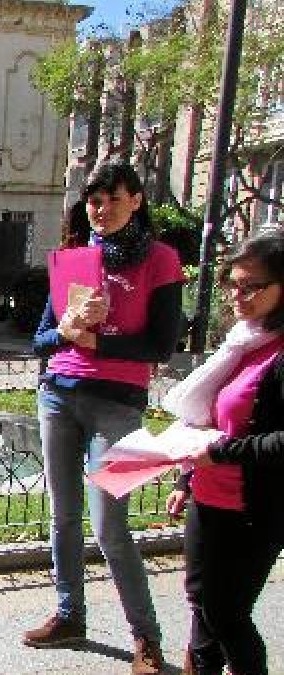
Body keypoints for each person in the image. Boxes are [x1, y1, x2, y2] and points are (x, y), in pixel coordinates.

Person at [26, 161, 182, 674]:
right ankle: (71, 614)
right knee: (63, 517)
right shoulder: (73, 258)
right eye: (95, 200)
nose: (102, 208)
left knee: (110, 525)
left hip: (122, 404)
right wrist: (66, 332)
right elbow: (41, 341)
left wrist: (100, 339)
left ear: (136, 200)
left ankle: (147, 638)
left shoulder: (161, 260)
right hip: (59, 395)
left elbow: (161, 344)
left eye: (113, 198)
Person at [162, 231, 284, 675]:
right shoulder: (242, 340)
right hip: (209, 493)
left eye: (252, 286)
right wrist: (187, 479)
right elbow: (211, 419)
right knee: (202, 604)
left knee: (226, 614)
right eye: (233, 284)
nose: (239, 295)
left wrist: (222, 452)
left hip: (253, 505)